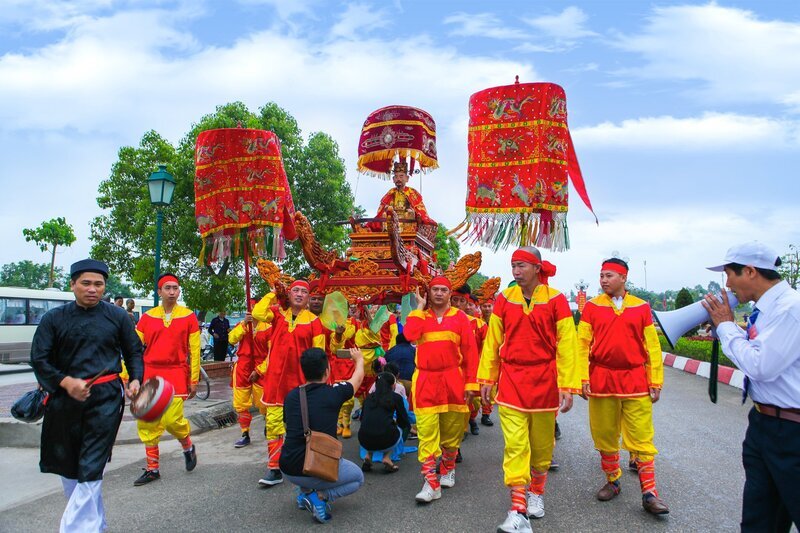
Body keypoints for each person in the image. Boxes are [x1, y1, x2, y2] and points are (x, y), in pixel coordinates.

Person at [30, 259, 143, 533]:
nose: (92, 289)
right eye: (86, 283)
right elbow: (39, 359)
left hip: (105, 398)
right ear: (72, 284)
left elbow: (134, 351)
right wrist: (66, 382)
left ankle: (76, 529)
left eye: (98, 284)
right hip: (63, 398)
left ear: (105, 286)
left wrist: (136, 379)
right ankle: (97, 524)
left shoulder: (117, 317)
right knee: (69, 466)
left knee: (92, 464)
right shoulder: (53, 319)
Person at [478, 246, 580, 533]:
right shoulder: (504, 299)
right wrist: (487, 378)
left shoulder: (557, 300)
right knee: (515, 446)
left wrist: (567, 384)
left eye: (522, 265)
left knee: (542, 446)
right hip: (511, 379)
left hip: (545, 381)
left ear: (537, 268)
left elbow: (568, 345)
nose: (516, 271)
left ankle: (537, 492)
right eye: (513, 266)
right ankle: (518, 509)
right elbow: (492, 343)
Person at [703, 241, 800, 531]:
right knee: (760, 521)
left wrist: (727, 327)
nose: (727, 284)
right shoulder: (768, 309)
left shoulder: (790, 309)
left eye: (729, 274)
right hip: (765, 424)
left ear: (750, 271)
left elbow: (761, 365)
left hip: (791, 433)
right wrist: (732, 331)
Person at [576, 258, 669, 515]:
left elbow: (652, 346)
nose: (604, 280)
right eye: (601, 275)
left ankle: (650, 494)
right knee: (605, 434)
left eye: (609, 275)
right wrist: (582, 378)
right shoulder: (592, 307)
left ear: (623, 278)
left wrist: (655, 380)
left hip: (635, 381)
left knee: (642, 438)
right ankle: (612, 480)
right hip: (602, 380)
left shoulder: (641, 307)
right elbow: (582, 344)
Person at [403, 276, 479, 503]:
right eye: (434, 289)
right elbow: (409, 335)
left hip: (453, 378)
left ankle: (447, 467)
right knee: (426, 432)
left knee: (452, 430)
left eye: (443, 290)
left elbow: (470, 353)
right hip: (426, 379)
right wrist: (418, 306)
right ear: (428, 292)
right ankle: (430, 481)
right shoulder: (420, 317)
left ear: (449, 294)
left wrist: (471, 384)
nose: (438, 293)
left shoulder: (460, 318)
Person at [250, 280, 326, 487]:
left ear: (309, 298)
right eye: (296, 291)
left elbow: (319, 355)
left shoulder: (314, 322)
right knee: (274, 426)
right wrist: (272, 294)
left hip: (300, 383)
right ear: (289, 294)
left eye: (304, 291)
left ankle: (304, 463)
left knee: (302, 427)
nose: (300, 294)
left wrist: (318, 383)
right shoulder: (277, 314)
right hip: (275, 381)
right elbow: (257, 314)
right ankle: (274, 468)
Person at [281, 347, 366, 524]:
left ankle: (304, 493)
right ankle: (319, 497)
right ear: (327, 370)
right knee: (358, 478)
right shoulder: (334, 393)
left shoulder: (291, 396)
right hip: (317, 466)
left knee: (301, 452)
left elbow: (288, 427)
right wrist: (359, 360)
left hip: (288, 467)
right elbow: (357, 379)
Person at [133, 273, 201, 486]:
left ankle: (187, 446)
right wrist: (129, 375)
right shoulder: (147, 317)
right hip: (150, 374)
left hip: (176, 373)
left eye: (175, 288)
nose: (172, 292)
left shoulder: (189, 316)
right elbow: (133, 348)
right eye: (167, 288)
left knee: (172, 420)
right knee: (147, 422)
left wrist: (194, 378)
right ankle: (153, 469)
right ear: (159, 291)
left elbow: (195, 350)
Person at [228, 299, 271, 448]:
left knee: (264, 401)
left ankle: (268, 424)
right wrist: (244, 323)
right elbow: (232, 339)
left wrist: (259, 370)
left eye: (256, 307)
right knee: (241, 404)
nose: (253, 310)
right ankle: (245, 433)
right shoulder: (244, 325)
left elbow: (272, 354)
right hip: (243, 367)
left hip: (261, 368)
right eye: (251, 307)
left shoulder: (269, 328)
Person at [359, 371, 411, 473]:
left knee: (373, 425)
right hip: (386, 439)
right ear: (392, 385)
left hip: (364, 439)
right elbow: (403, 420)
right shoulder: (396, 397)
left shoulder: (369, 398)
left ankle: (368, 455)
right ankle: (387, 457)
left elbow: (362, 418)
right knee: (397, 428)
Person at [368, 160, 435, 231]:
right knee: (385, 214)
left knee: (409, 213)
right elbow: (380, 212)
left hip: (407, 222)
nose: (398, 179)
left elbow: (421, 212)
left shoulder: (412, 193)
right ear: (393, 179)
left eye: (401, 176)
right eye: (396, 177)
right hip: (391, 222)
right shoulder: (390, 193)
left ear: (407, 178)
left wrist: (414, 214)